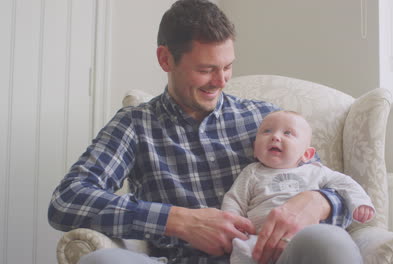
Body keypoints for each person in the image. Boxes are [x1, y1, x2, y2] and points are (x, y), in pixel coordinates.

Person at [48, 0, 361, 263]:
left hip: (265, 258)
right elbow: (67, 201)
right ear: (165, 59)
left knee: (328, 241)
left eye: (227, 66)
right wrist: (180, 221)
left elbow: (339, 191)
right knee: (100, 261)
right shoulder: (134, 124)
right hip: (177, 259)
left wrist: (318, 202)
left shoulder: (267, 121)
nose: (221, 80)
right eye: (206, 69)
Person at [221, 110, 375, 264]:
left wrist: (360, 202)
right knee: (240, 249)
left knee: (327, 240)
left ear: (307, 154)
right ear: (255, 149)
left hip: (307, 240)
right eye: (267, 131)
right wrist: (232, 226)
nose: (275, 136)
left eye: (288, 133)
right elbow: (235, 199)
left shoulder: (316, 171)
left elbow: (345, 184)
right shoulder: (252, 172)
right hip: (259, 241)